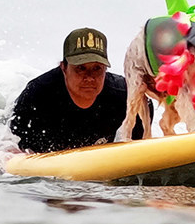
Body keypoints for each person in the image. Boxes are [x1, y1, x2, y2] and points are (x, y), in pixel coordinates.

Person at [8, 28, 146, 153]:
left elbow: (138, 146)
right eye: (81, 68)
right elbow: (11, 145)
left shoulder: (125, 95)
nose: (90, 78)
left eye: (97, 68)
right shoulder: (37, 95)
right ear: (63, 68)